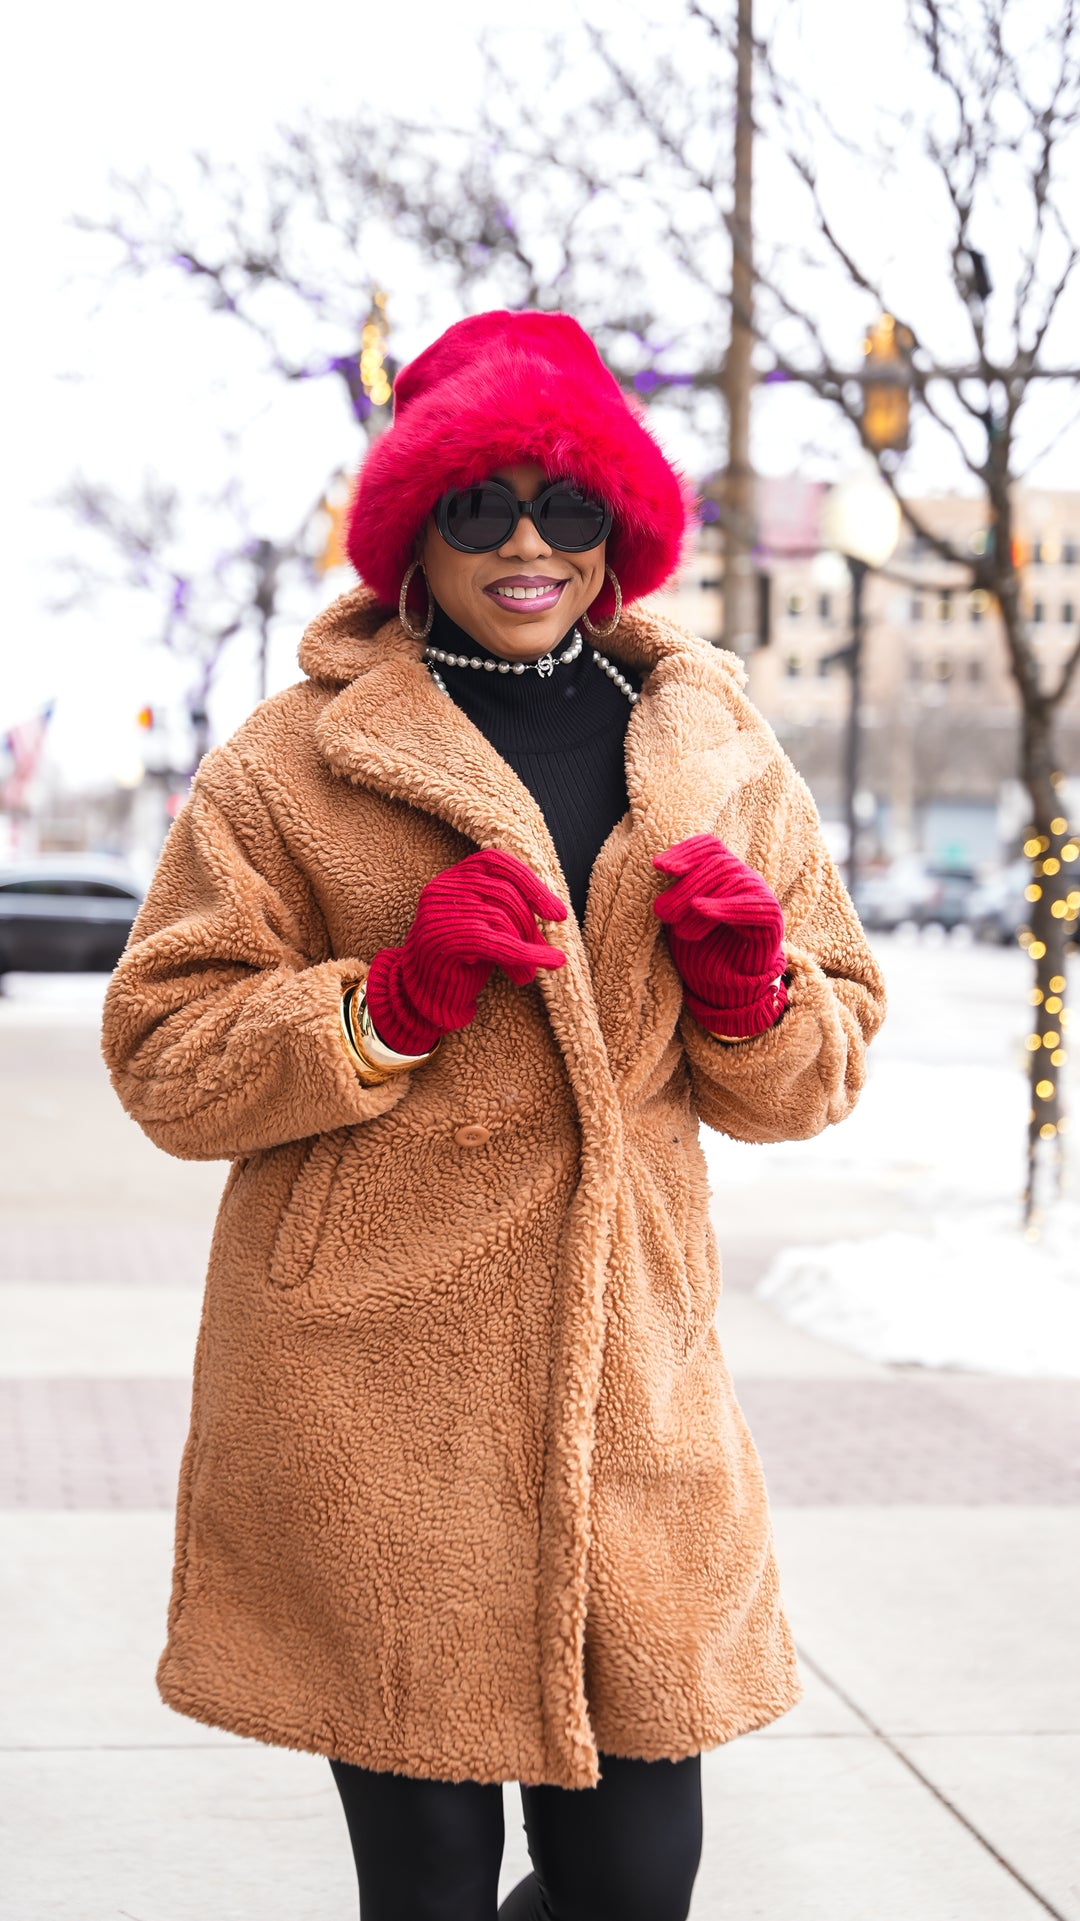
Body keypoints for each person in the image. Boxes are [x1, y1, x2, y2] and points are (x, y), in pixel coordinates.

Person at [101, 309, 886, 1920]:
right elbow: (164, 1051)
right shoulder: (291, 761)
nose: (529, 544)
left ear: (621, 524)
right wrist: (384, 1002)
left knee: (635, 1883)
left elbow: (823, 1060)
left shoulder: (718, 748)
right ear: (414, 523)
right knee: (431, 1891)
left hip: (631, 1392)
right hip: (377, 1403)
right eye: (479, 505)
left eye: (568, 503)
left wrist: (752, 993)